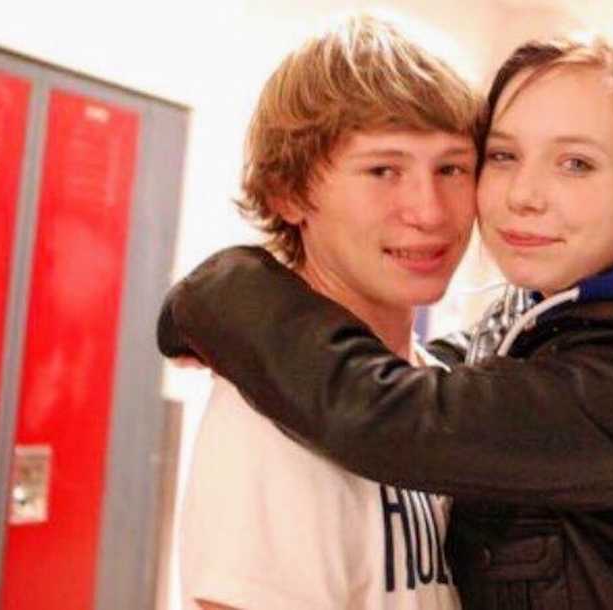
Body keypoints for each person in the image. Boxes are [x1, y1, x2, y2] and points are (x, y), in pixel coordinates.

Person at [160, 36, 613, 609]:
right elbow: (473, 376)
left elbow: (394, 414)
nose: (523, 195)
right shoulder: (273, 415)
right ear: (290, 194)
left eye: (576, 163)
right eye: (502, 157)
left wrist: (221, 294)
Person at [172, 14, 482, 610]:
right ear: (288, 193)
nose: (430, 210)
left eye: (451, 168)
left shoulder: (426, 390)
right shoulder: (272, 415)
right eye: (383, 170)